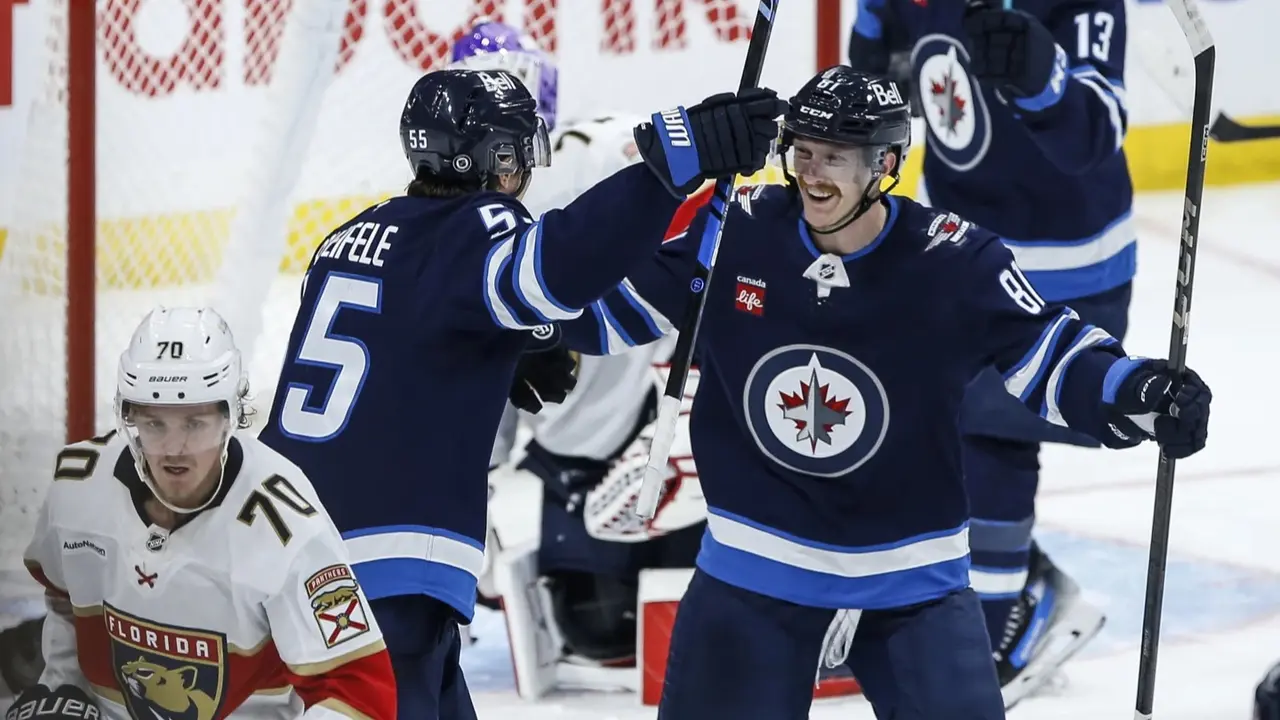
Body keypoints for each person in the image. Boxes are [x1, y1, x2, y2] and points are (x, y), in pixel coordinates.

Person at [563, 66, 1210, 720]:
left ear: (887, 164)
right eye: (803, 151)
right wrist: (518, 319)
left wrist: (1139, 390)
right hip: (753, 569)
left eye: (835, 158)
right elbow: (604, 309)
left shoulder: (953, 262)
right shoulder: (736, 233)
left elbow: (1053, 356)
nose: (812, 174)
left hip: (911, 583)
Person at [256, 66, 784, 719]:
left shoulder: (347, 240)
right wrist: (675, 159)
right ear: (502, 158)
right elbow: (560, 271)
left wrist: (708, 248)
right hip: (380, 574)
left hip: (294, 547)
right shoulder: (474, 232)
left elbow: (585, 317)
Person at [848, 0, 1134, 701]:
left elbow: (1095, 132)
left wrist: (1044, 80)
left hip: (1065, 267)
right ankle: (994, 587)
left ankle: (1006, 613)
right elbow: (872, 81)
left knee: (989, 440)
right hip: (956, 247)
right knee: (915, 423)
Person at [447, 20, 706, 670]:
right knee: (597, 628)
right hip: (577, 453)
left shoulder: (602, 153)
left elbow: (701, 194)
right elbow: (476, 393)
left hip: (673, 411)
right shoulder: (455, 227)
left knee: (713, 610)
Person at [9, 307, 395, 720]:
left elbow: (360, 692)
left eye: (194, 423)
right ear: (130, 418)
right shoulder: (78, 490)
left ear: (231, 416)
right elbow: (64, 598)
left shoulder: (285, 526)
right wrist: (62, 684)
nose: (175, 449)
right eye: (155, 424)